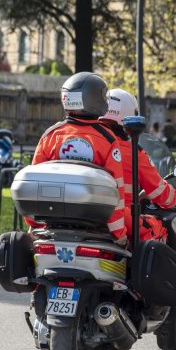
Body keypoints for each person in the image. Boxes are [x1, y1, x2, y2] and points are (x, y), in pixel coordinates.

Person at [30, 72, 128, 244]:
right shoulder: (108, 140)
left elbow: (34, 183)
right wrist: (119, 234)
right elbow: (116, 191)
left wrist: (33, 224)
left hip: (53, 223)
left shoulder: (50, 135)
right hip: (96, 226)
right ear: (95, 99)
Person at [100, 88, 176, 242]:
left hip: (80, 216)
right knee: (156, 229)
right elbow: (160, 193)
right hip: (121, 218)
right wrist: (175, 197)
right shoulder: (133, 152)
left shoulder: (89, 142)